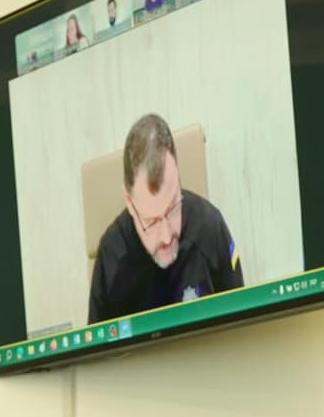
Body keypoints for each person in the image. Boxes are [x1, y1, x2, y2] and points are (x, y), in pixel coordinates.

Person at [87, 113, 244, 324]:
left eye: (172, 209)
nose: (167, 236)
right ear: (130, 202)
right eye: (151, 221)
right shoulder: (111, 255)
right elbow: (97, 343)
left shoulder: (210, 228)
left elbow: (243, 324)